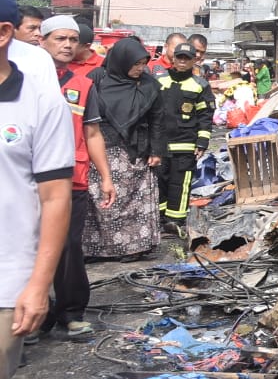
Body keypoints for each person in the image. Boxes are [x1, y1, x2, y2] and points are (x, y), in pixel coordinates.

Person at [0, 0, 73, 379]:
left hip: (7, 278)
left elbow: (55, 198)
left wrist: (37, 283)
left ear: (3, 34)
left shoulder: (41, 102)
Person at [38, 15, 112, 339]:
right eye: (60, 39)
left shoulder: (83, 86)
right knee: (24, 248)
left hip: (73, 179)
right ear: (42, 42)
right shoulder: (22, 80)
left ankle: (70, 313)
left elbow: (92, 132)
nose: (67, 44)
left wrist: (106, 177)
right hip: (28, 179)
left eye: (72, 39)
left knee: (69, 248)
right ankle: (32, 313)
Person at [81, 38, 164, 260]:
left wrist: (156, 150)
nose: (140, 68)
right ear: (121, 61)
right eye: (135, 63)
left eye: (143, 63)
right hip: (102, 149)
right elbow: (85, 115)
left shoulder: (149, 85)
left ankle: (132, 247)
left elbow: (157, 119)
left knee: (133, 201)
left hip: (135, 150)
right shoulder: (98, 78)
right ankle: (97, 249)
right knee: (101, 200)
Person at [155, 41, 211, 232]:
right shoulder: (159, 80)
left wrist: (202, 142)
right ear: (173, 58)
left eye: (187, 59)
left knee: (179, 183)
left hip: (185, 144)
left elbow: (205, 116)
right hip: (160, 144)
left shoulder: (200, 85)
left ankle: (176, 221)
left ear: (194, 61)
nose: (182, 62)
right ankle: (160, 218)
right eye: (180, 57)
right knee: (159, 181)